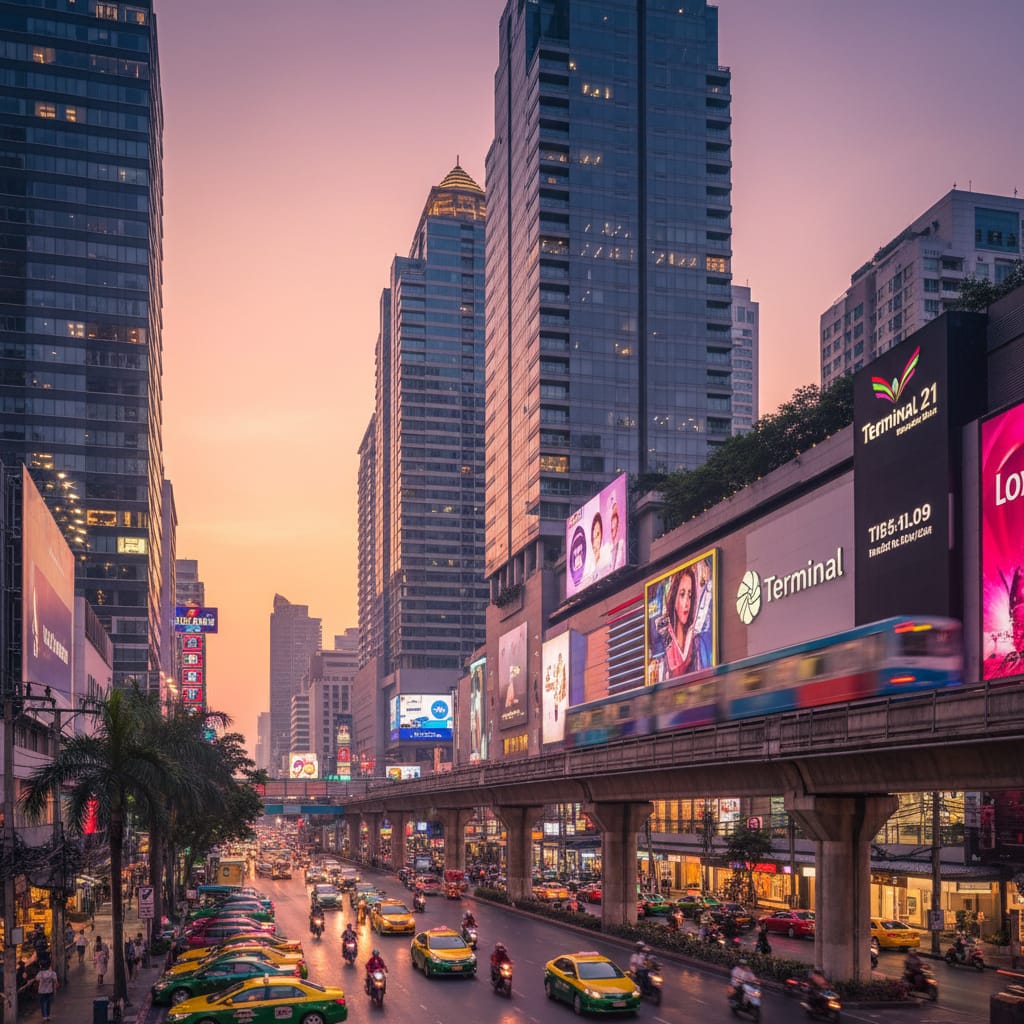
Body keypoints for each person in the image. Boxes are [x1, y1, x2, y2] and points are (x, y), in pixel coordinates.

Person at [658, 566, 699, 679]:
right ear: (674, 596)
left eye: (690, 596)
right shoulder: (663, 628)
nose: (686, 603)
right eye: (682, 594)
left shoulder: (694, 637)